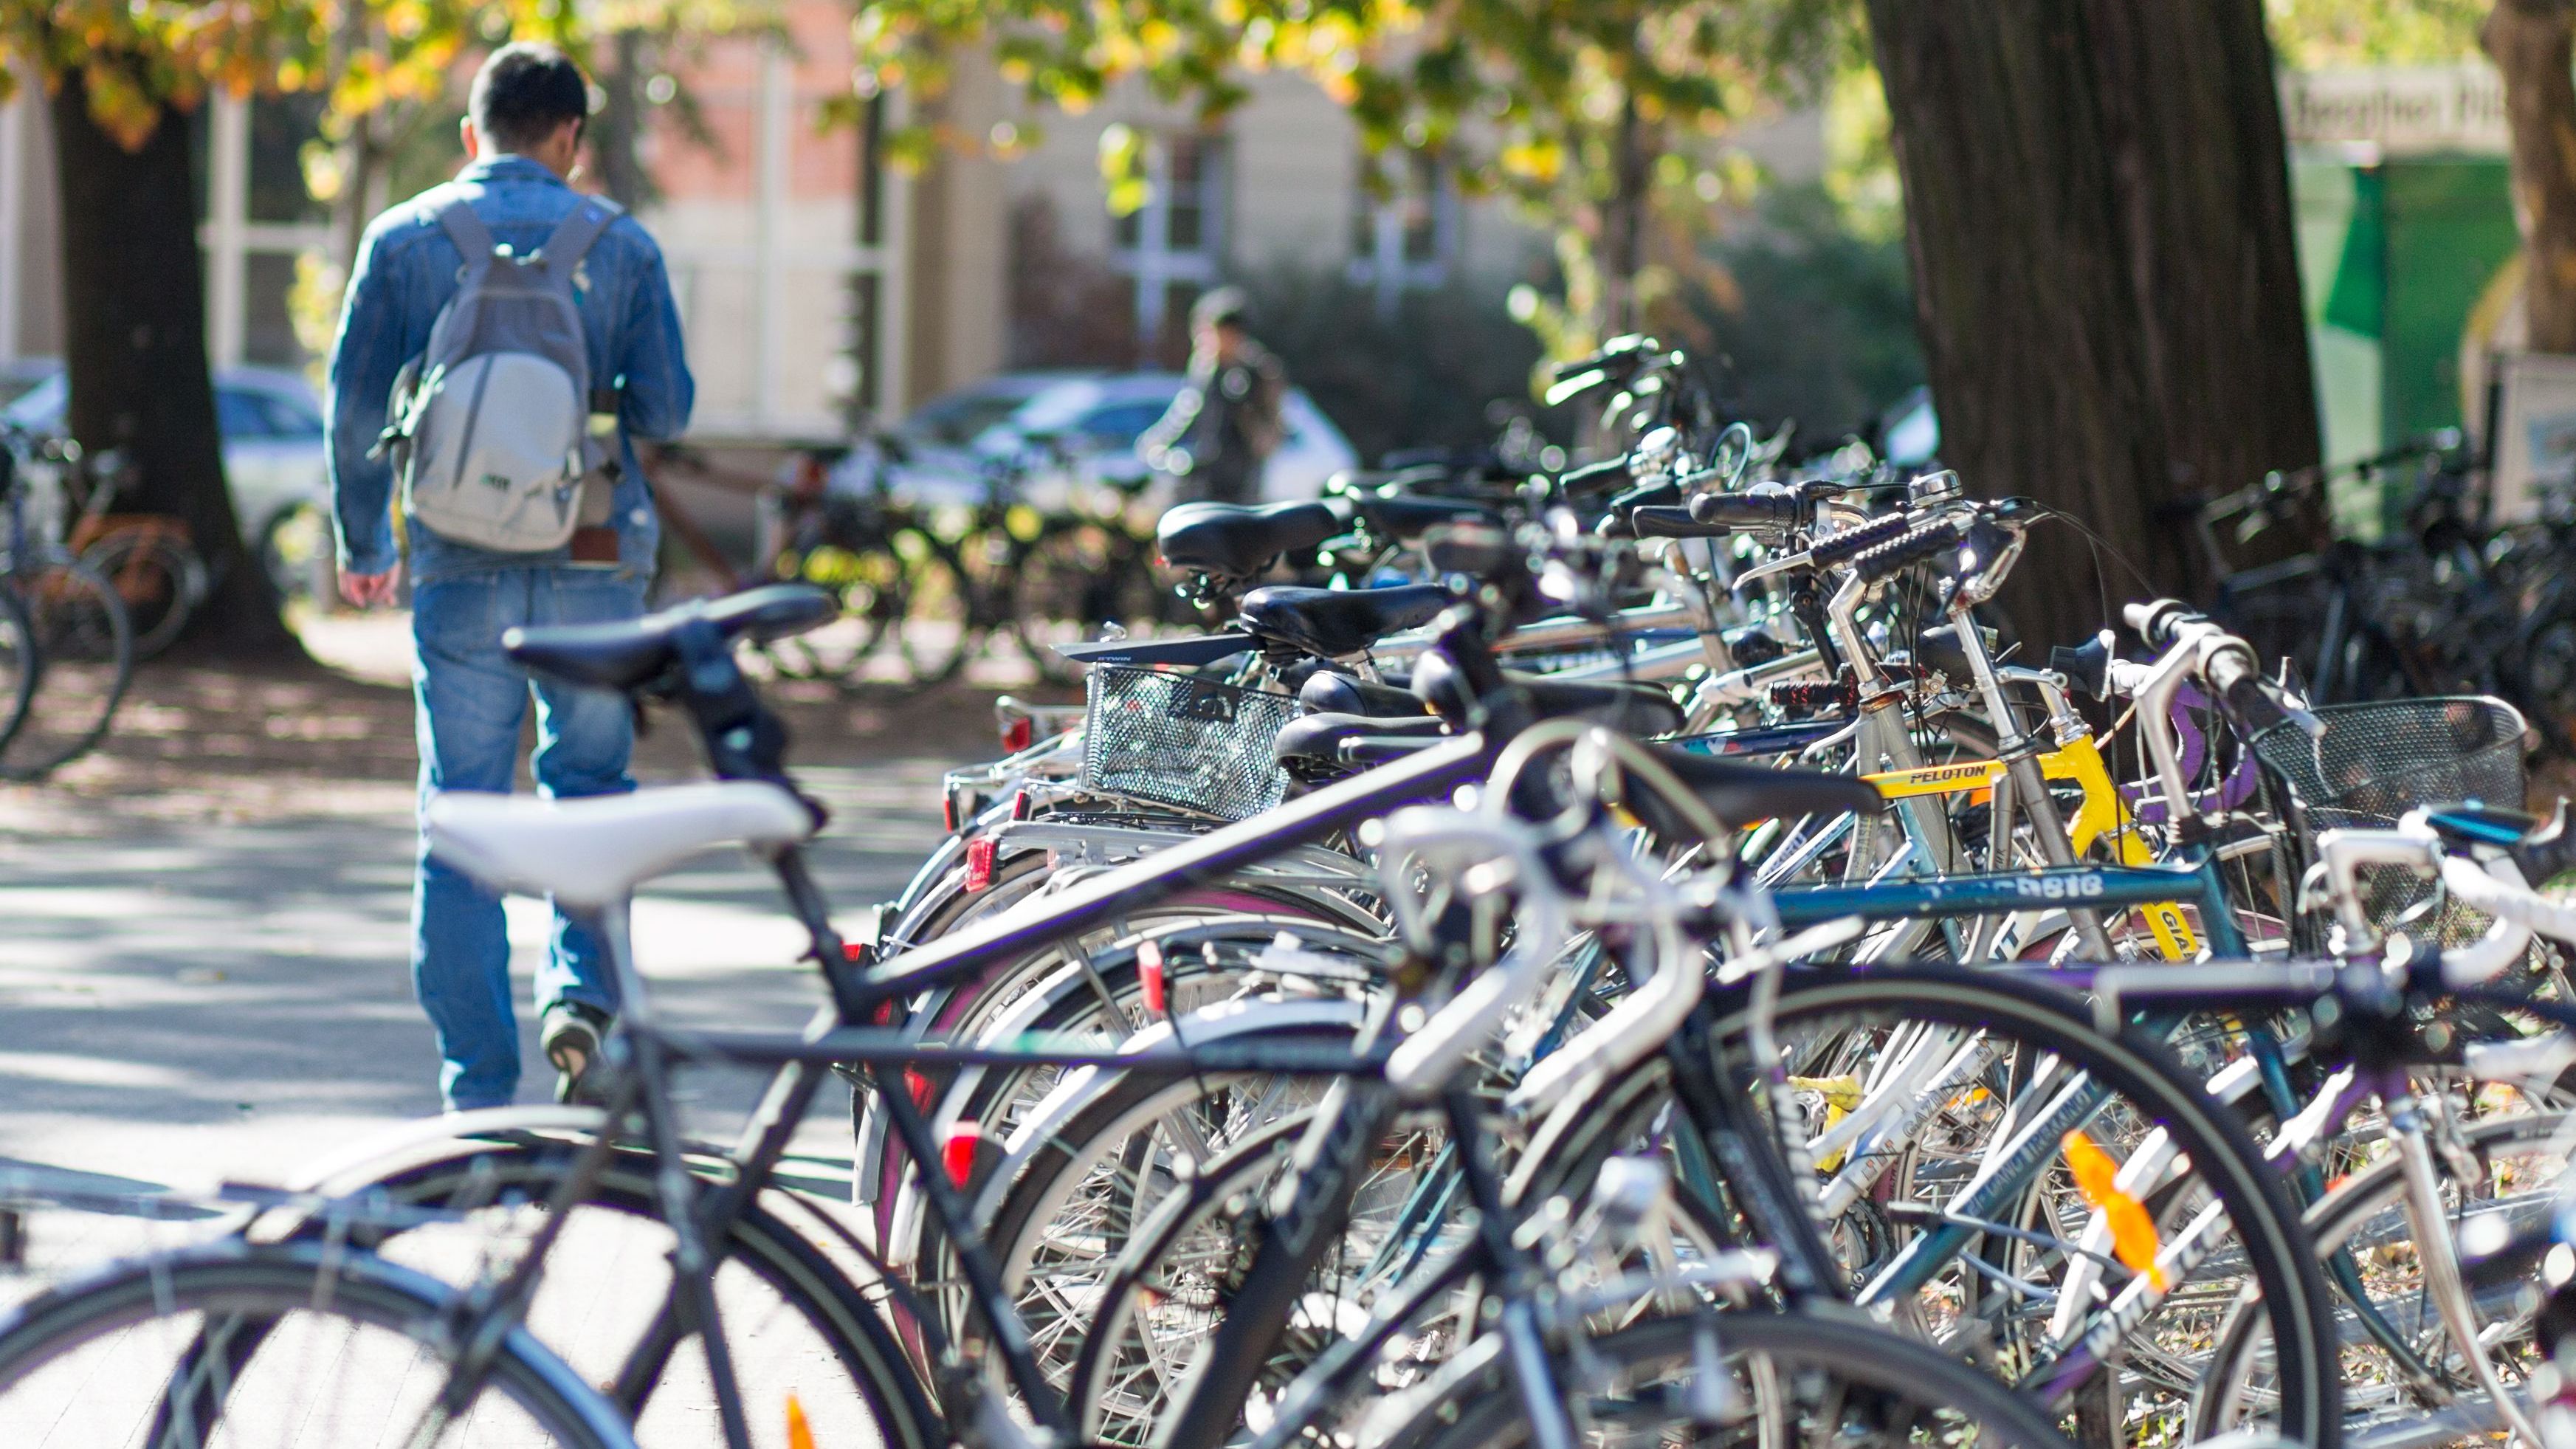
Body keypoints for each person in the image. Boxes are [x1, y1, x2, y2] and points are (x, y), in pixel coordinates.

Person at [326, 41, 693, 1111]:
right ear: (572, 139)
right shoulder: (621, 244)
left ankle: (478, 1089)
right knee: (590, 795)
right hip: (590, 554)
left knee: (462, 811)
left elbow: (353, 412)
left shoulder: (403, 239)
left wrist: (365, 544)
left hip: (457, 557)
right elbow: (665, 413)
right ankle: (582, 1005)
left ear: (468, 134)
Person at [1140, 287, 1286, 505]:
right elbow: (1185, 412)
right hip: (1205, 477)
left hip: (1241, 482)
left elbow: (1271, 429)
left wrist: (1243, 404)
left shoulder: (1256, 371)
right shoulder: (1206, 369)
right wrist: (1157, 444)